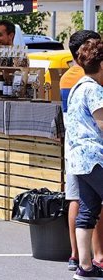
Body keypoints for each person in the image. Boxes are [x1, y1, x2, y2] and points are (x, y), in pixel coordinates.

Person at [61, 30, 103, 272]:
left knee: (87, 210)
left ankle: (85, 266)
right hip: (95, 158)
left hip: (79, 160)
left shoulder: (77, 86)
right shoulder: (95, 90)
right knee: (88, 210)